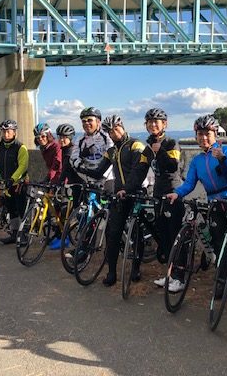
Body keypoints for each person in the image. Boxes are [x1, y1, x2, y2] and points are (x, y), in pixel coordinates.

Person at [167, 114, 227, 299]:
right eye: (200, 134)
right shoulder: (197, 160)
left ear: (215, 134)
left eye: (208, 133)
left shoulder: (226, 151)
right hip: (214, 202)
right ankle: (224, 281)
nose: (203, 138)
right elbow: (189, 183)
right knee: (220, 243)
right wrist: (178, 193)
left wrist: (222, 158)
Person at [78, 115, 147, 287]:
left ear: (122, 127)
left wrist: (128, 189)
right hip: (119, 194)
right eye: (110, 131)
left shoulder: (136, 144)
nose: (114, 133)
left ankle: (136, 268)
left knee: (136, 232)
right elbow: (99, 171)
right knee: (113, 233)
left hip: (136, 192)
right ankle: (111, 273)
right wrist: (80, 168)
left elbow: (138, 171)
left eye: (117, 129)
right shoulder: (111, 151)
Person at [138, 108, 185, 292]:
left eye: (156, 121)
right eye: (149, 122)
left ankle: (179, 278)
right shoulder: (149, 146)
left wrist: (161, 151)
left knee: (174, 237)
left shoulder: (172, 143)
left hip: (173, 194)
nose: (153, 125)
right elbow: (140, 170)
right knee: (163, 236)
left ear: (164, 124)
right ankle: (170, 275)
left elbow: (173, 166)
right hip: (158, 194)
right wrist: (127, 188)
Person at [69, 107, 113, 189]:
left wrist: (102, 175)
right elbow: (73, 157)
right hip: (88, 177)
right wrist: (81, 167)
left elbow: (112, 155)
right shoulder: (80, 139)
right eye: (84, 121)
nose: (86, 123)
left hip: (106, 178)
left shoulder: (107, 136)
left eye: (89, 120)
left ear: (98, 121)